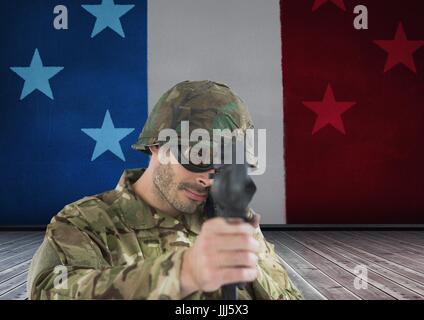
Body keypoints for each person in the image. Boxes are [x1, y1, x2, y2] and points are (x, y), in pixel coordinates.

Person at [27, 80, 302, 300]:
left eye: (224, 167)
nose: (208, 180)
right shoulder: (84, 223)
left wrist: (252, 270)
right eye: (198, 158)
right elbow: (52, 291)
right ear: (157, 146)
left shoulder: (228, 219)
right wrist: (181, 273)